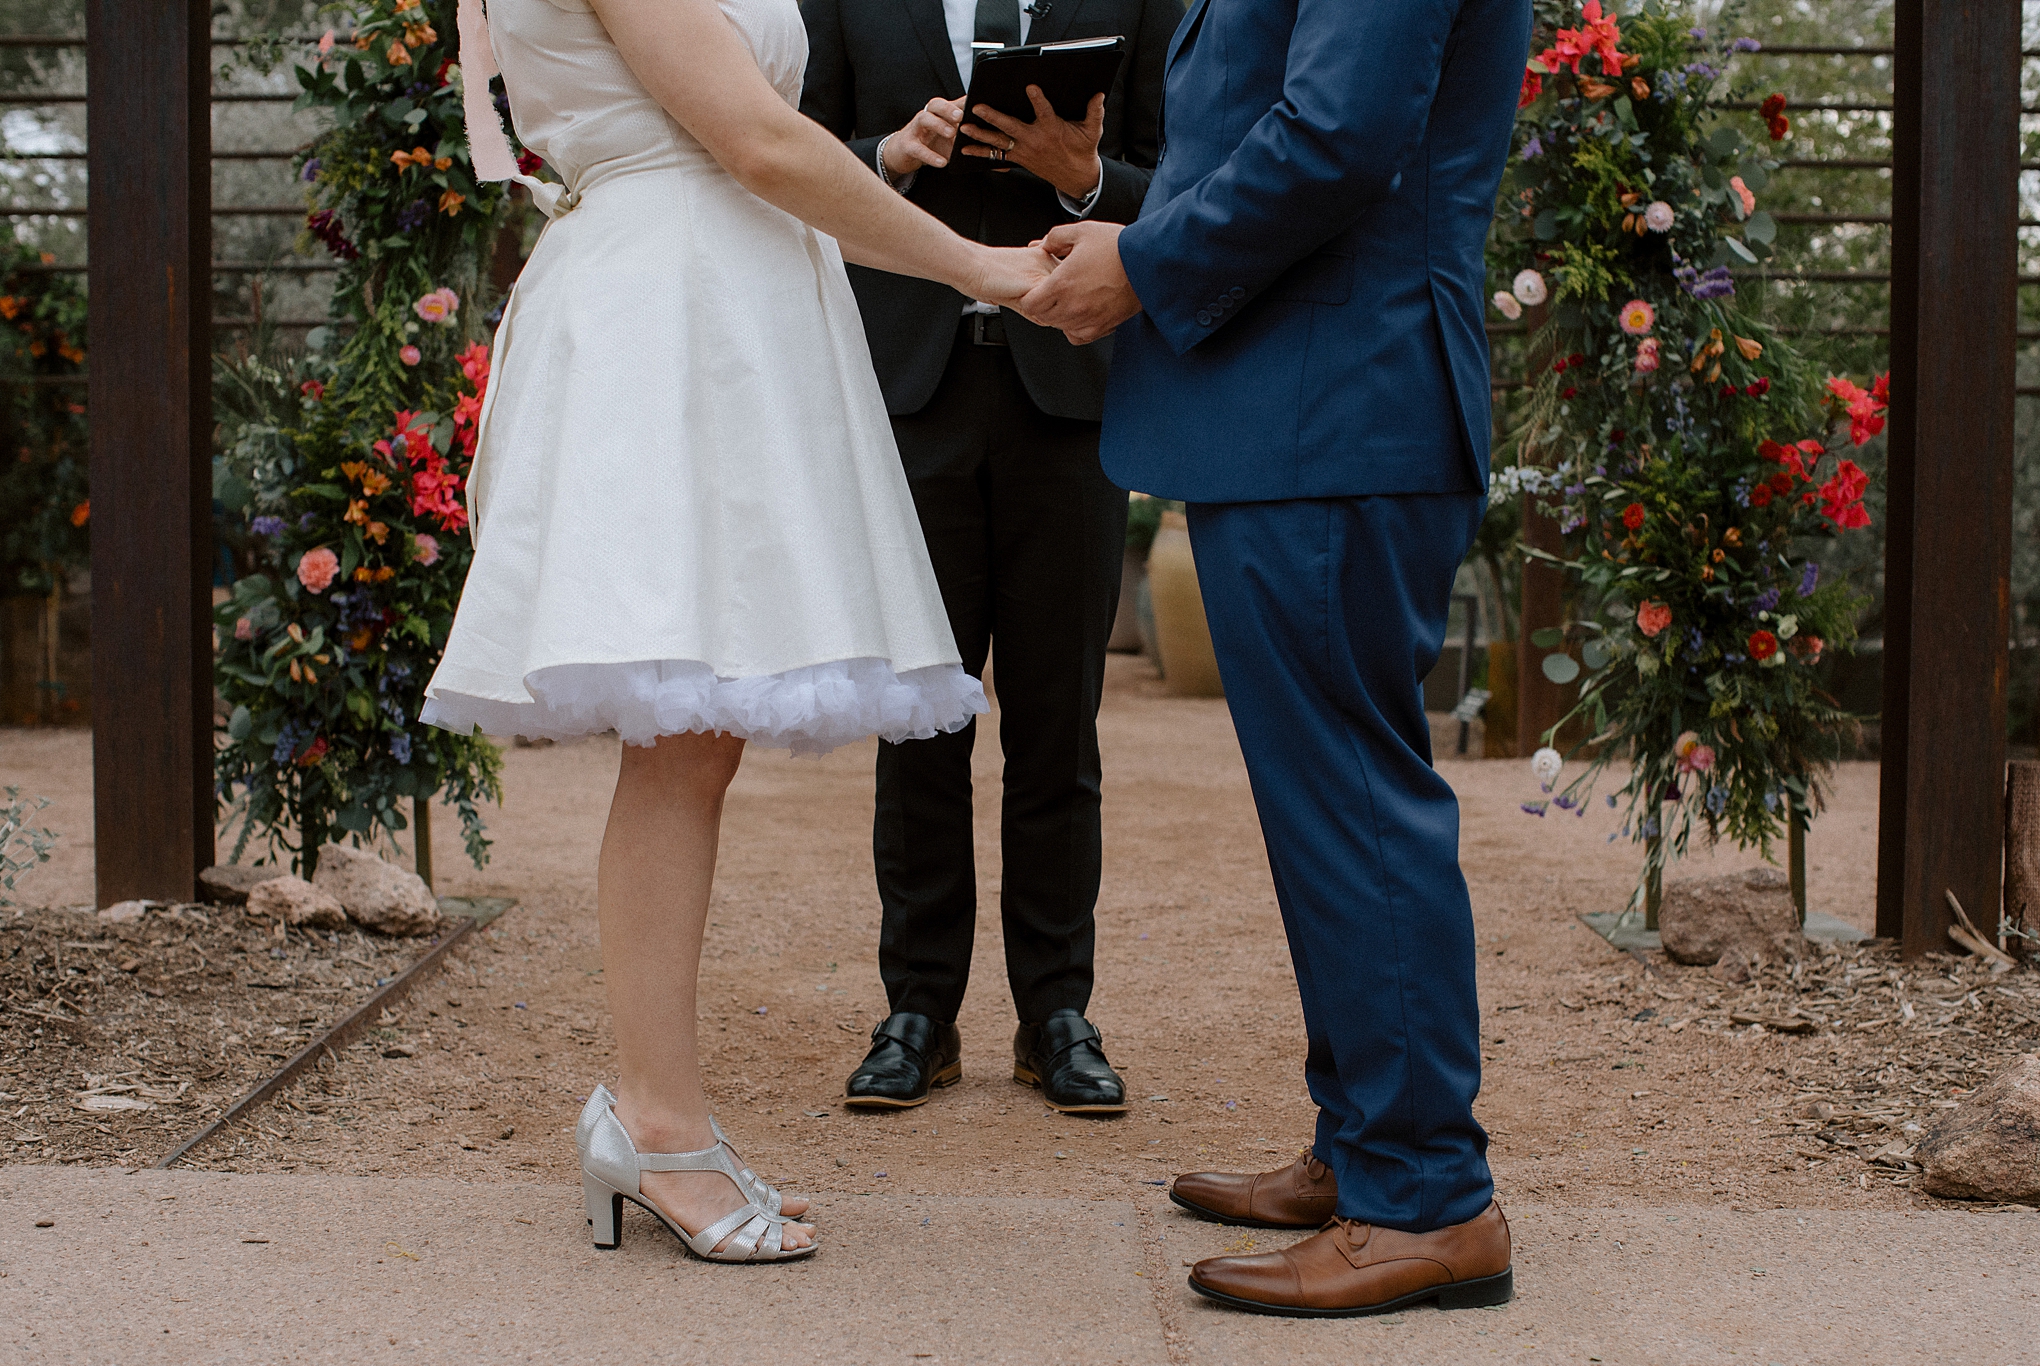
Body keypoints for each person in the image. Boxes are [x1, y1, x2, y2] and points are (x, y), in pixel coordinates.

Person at [425, 0, 1056, 1263]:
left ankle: (655, 1117)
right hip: (662, 325)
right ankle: (658, 1129)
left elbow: (757, 139)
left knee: (695, 737)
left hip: (719, 307)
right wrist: (981, 267)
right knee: (681, 733)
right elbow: (758, 144)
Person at [1020, 0, 1531, 1318]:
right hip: (1302, 408)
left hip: (1340, 404)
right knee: (1330, 809)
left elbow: (1340, 132)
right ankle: (1368, 1145)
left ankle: (1424, 1195)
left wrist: (1142, 262)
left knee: (1354, 807)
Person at [799, 0, 1178, 1116]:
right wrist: (887, 159)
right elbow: (788, 156)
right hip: (908, 399)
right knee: (914, 718)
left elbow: (1180, 188)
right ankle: (916, 1010)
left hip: (1066, 399)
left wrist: (1083, 177)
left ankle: (1056, 1011)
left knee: (1059, 725)